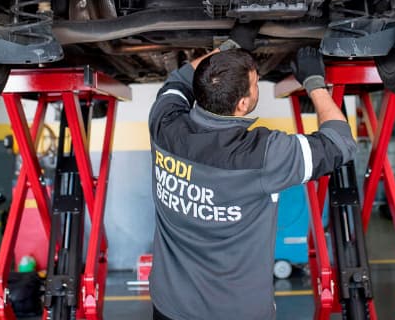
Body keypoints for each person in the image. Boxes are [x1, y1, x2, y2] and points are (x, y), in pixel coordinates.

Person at [147, 30, 357, 320]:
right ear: (243, 104)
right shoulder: (263, 154)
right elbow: (340, 144)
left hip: (171, 307)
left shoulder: (164, 124)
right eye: (255, 83)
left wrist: (226, 51)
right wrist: (314, 82)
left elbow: (177, 82)